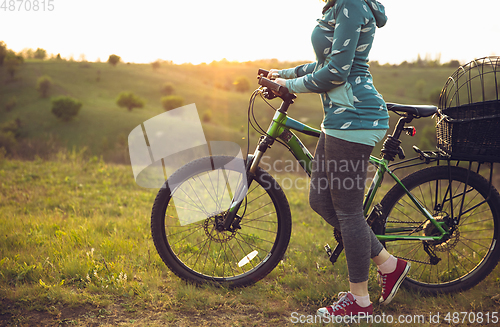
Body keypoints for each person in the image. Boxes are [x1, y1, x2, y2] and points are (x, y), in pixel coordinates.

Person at [268, 0, 410, 318]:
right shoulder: (336, 6)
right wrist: (284, 74)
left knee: (348, 213)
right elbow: (324, 62)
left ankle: (359, 301)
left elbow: (335, 72)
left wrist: (287, 85)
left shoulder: (350, 4)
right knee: (321, 200)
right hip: (337, 119)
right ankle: (389, 264)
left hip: (357, 118)